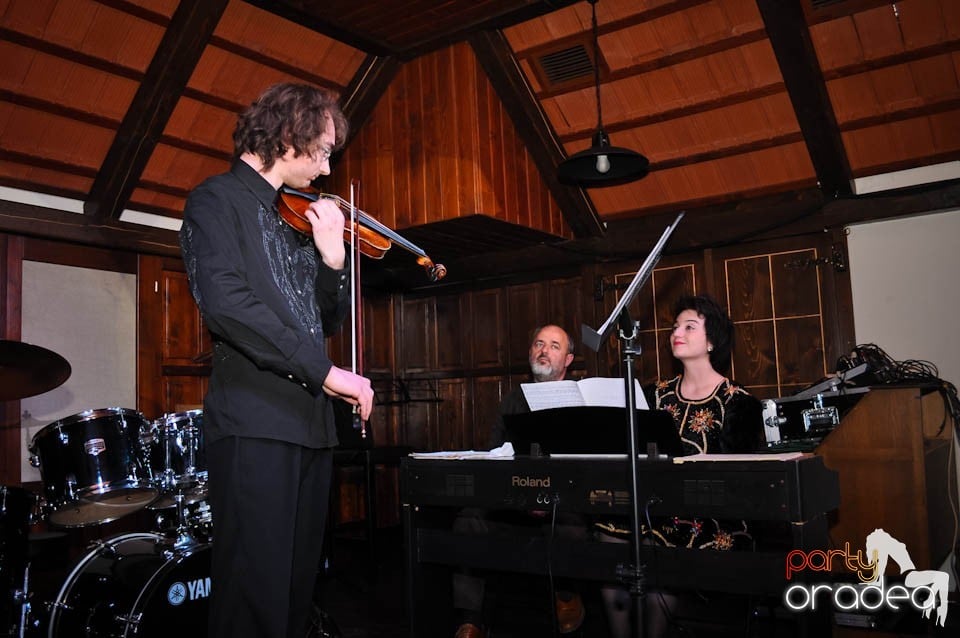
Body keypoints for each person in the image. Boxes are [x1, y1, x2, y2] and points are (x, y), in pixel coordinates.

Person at [179, 82, 374, 638]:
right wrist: (326, 372)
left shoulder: (298, 216)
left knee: (293, 599)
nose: (328, 168)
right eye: (324, 152)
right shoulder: (215, 201)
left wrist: (333, 260)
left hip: (312, 427)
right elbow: (227, 307)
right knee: (253, 602)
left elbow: (324, 321)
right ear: (289, 137)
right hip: (255, 424)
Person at [599, 294, 763, 638]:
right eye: (675, 327)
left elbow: (744, 482)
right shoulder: (654, 394)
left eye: (689, 327)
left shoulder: (738, 402)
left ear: (712, 341)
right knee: (609, 535)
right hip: (653, 506)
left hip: (710, 514)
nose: (676, 333)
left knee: (660, 548)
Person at [455, 324, 586, 638]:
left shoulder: (581, 400)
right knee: (468, 520)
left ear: (568, 360)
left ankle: (566, 595)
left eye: (554, 346)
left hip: (562, 503)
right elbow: (495, 455)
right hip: (515, 500)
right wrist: (523, 498)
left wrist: (547, 499)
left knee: (573, 527)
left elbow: (585, 467)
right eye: (538, 344)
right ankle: (471, 618)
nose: (543, 350)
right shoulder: (513, 401)